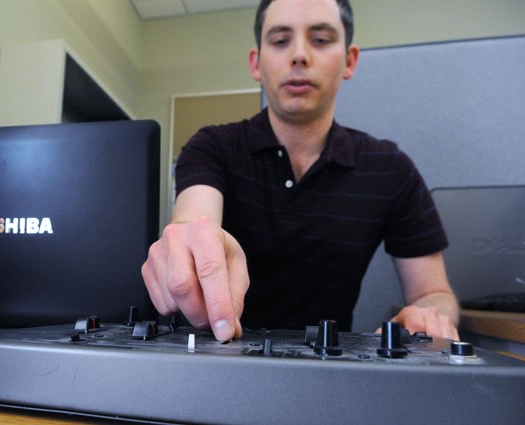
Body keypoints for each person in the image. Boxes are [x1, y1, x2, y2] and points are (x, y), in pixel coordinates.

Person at [142, 0, 459, 342]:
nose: (299, 56)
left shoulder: (391, 168)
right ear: (256, 63)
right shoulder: (212, 146)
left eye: (320, 39)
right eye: (280, 41)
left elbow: (435, 292)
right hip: (214, 357)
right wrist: (188, 241)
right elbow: (194, 218)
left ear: (349, 61)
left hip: (328, 371)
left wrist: (430, 315)